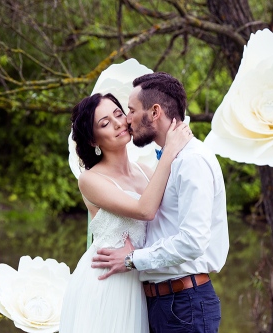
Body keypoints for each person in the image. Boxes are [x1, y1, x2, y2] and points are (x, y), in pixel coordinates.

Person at [92, 72, 230, 333]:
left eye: (131, 110)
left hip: (185, 304)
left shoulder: (191, 161)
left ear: (154, 112)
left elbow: (193, 241)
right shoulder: (167, 161)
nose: (127, 119)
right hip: (162, 303)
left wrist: (132, 260)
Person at [58, 92, 193, 333]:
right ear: (93, 140)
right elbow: (145, 210)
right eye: (105, 123)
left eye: (119, 114)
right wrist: (170, 151)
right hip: (104, 282)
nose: (118, 123)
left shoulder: (144, 171)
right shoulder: (90, 179)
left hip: (137, 279)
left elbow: (169, 217)